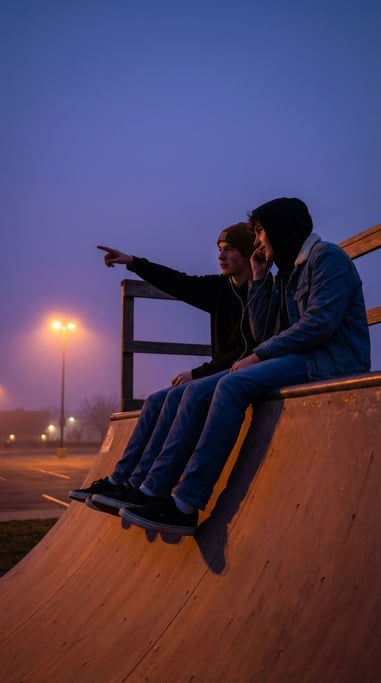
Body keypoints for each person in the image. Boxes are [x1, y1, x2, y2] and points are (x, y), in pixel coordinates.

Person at [116, 196, 371, 536]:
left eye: (261, 232)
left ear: (281, 228)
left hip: (333, 361)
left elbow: (318, 325)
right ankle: (152, 491)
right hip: (301, 359)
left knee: (232, 385)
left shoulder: (327, 258)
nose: (258, 241)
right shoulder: (286, 272)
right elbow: (263, 329)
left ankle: (185, 504)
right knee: (204, 389)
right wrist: (259, 278)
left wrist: (258, 355)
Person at [69, 222, 257, 510]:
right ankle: (125, 482)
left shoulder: (260, 294)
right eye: (219, 250)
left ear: (247, 254)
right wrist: (133, 263)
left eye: (229, 250)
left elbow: (248, 349)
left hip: (240, 371)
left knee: (183, 394)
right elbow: (177, 282)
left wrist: (197, 373)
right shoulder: (219, 289)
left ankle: (152, 488)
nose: (220, 256)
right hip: (219, 371)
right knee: (157, 400)